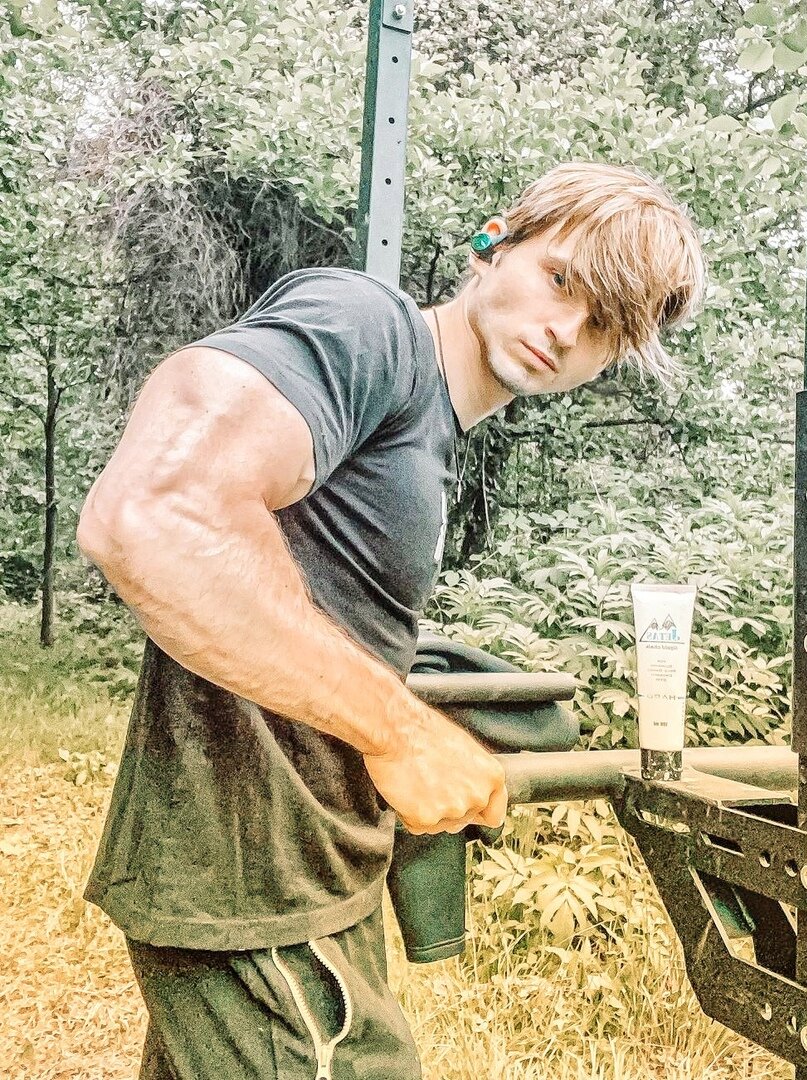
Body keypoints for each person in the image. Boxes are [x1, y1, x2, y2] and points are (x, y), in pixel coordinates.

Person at [77, 162, 704, 1080]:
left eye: (604, 324)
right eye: (561, 279)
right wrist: (401, 733)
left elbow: (309, 599)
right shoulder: (366, 325)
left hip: (304, 876)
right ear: (494, 243)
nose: (567, 330)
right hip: (262, 893)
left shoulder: (428, 424)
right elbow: (155, 516)